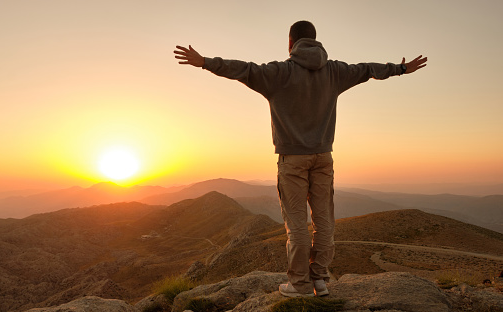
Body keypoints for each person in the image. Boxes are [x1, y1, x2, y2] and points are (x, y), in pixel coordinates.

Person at [174, 20, 427, 298]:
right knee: (324, 222)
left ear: (291, 43)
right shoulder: (335, 71)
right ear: (315, 41)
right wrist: (401, 69)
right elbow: (368, 70)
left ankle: (300, 285)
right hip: (323, 157)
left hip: (292, 160)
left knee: (296, 225)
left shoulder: (280, 73)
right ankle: (319, 279)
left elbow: (243, 69)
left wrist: (204, 62)